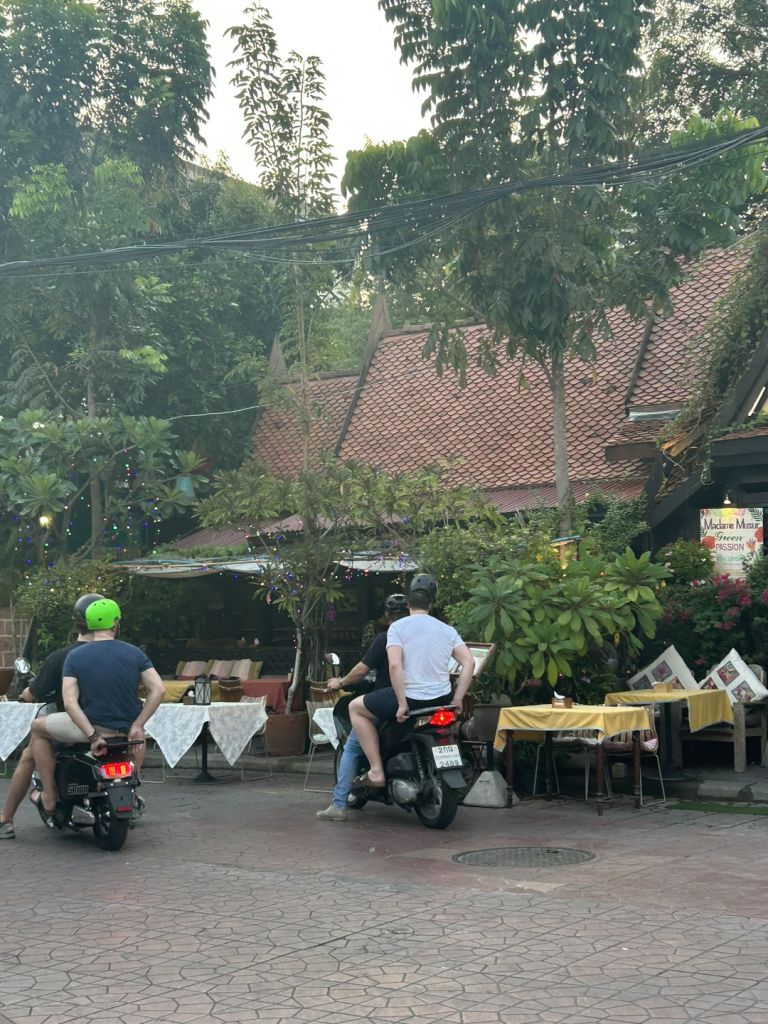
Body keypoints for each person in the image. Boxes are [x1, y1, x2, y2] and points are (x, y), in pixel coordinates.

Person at [29, 597, 165, 822]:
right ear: (116, 623)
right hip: (127, 730)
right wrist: (138, 724)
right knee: (139, 737)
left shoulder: (75, 656)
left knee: (37, 728)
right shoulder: (135, 653)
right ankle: (132, 791)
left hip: (93, 729)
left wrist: (92, 736)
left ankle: (49, 798)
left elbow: (70, 703)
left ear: (88, 625)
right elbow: (158, 690)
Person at [348, 574, 475, 789]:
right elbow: (469, 663)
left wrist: (401, 703)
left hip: (411, 699)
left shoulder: (398, 628)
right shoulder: (447, 630)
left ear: (408, 604)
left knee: (355, 708)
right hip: (442, 699)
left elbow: (395, 666)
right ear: (431, 605)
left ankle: (376, 771)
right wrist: (458, 699)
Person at [0, 593, 100, 839]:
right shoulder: (122, 653)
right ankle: (132, 800)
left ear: (76, 621)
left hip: (74, 726)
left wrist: (25, 693)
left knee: (30, 750)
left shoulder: (62, 657)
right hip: (114, 725)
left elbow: (33, 694)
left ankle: (13, 815)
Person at [316, 593, 409, 823]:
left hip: (388, 701)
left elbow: (360, 671)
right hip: (424, 698)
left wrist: (340, 682)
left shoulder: (386, 638)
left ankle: (339, 804)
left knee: (352, 747)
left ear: (387, 615)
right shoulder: (421, 638)